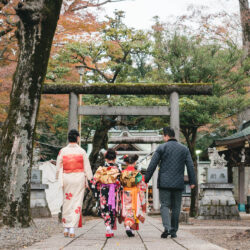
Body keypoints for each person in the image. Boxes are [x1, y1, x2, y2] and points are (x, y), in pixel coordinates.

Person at [145, 127, 196, 239]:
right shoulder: (184, 149)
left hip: (164, 182)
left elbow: (152, 164)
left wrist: (146, 179)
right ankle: (173, 231)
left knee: (164, 205)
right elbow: (190, 165)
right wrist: (192, 181)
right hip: (178, 182)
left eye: (163, 136)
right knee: (176, 207)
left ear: (166, 136)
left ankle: (166, 228)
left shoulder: (161, 147)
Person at [56, 129, 93, 238]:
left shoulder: (63, 151)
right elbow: (87, 167)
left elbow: (58, 166)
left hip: (66, 177)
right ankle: (72, 228)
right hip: (78, 178)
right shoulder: (82, 151)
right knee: (76, 202)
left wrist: (57, 177)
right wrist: (91, 179)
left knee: (67, 201)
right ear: (77, 138)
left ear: (68, 138)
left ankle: (66, 228)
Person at [90, 149, 122, 238]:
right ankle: (110, 228)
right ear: (115, 159)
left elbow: (93, 182)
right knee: (112, 209)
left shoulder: (101, 169)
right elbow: (120, 183)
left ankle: (108, 226)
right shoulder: (117, 170)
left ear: (105, 158)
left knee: (105, 209)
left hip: (104, 190)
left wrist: (97, 190)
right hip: (114, 191)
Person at [120, 154, 147, 237]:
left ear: (126, 163)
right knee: (134, 210)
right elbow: (142, 186)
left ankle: (129, 227)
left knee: (127, 209)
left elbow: (119, 184)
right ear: (135, 163)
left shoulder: (122, 173)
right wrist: (143, 200)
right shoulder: (138, 174)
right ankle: (129, 227)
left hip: (125, 192)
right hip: (135, 193)